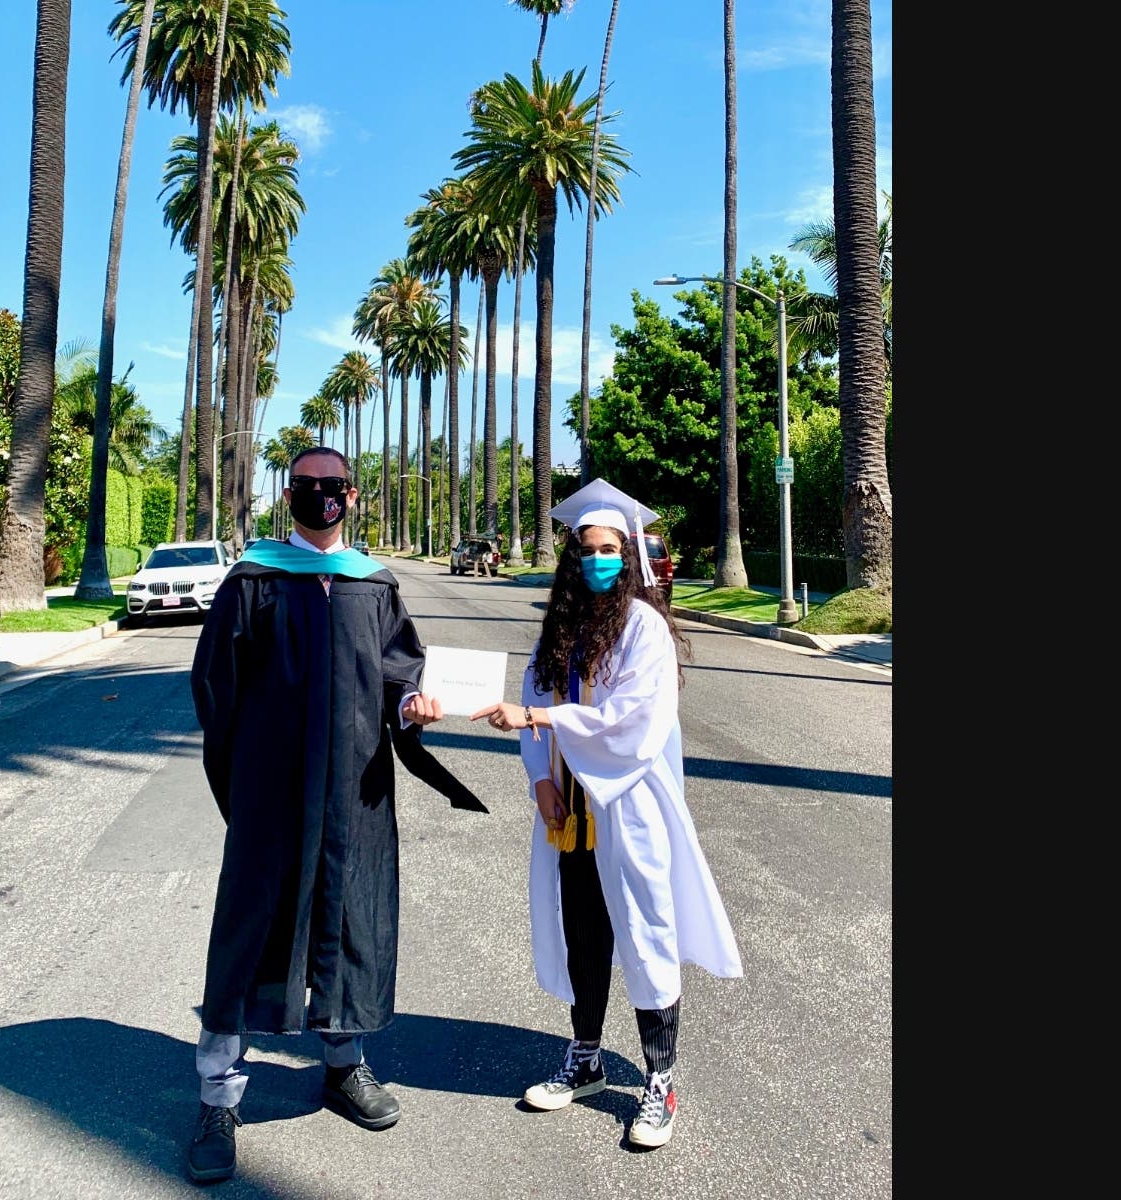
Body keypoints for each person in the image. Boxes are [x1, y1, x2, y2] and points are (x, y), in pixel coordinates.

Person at [186, 446, 479, 1184]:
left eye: (335, 488)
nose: (323, 500)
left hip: (356, 793)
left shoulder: (373, 585)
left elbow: (400, 673)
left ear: (353, 495)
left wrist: (412, 705)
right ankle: (218, 1095)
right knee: (252, 929)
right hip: (272, 799)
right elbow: (214, 691)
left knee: (352, 922)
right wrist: (243, 785)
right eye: (308, 489)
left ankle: (344, 1065)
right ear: (290, 496)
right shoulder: (253, 580)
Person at [470, 478, 743, 1150]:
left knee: (647, 934)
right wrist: (539, 778)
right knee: (584, 935)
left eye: (609, 549)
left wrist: (538, 717)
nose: (597, 559)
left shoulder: (643, 629)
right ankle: (586, 1058)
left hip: (631, 809)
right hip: (570, 811)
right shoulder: (560, 626)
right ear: (571, 558)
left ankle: (660, 1080)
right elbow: (536, 690)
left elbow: (630, 725)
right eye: (586, 550)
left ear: (628, 556)